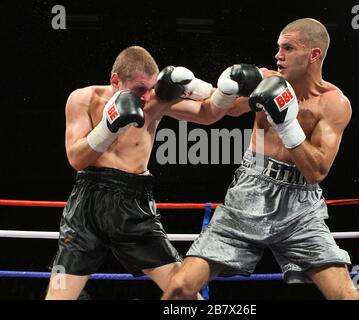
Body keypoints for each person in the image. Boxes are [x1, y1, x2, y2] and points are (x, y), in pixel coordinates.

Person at [162, 18, 359, 300]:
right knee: (179, 288)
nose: (278, 55)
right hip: (248, 194)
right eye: (278, 48)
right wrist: (188, 88)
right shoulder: (265, 79)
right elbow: (221, 106)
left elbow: (317, 171)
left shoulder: (333, 103)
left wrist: (286, 123)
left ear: (314, 54)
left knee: (346, 296)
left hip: (300, 210)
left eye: (288, 48)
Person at [45, 46, 231, 299]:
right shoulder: (83, 99)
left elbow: (208, 114)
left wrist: (221, 91)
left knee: (185, 293)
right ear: (115, 80)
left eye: (151, 88)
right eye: (139, 89)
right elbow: (76, 159)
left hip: (134, 207)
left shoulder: (155, 100)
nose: (145, 97)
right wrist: (108, 128)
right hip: (86, 207)